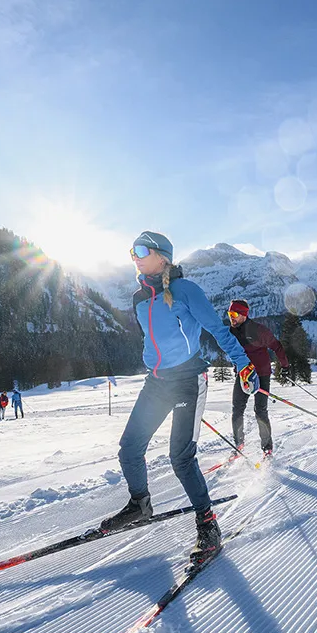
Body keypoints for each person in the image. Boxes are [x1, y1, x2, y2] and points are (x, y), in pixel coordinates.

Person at [103, 231, 258, 564]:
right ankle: (140, 504)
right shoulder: (138, 298)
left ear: (163, 257)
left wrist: (243, 365)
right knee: (129, 448)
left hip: (189, 380)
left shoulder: (186, 290)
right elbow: (153, 340)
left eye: (142, 250)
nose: (135, 256)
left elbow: (218, 330)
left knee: (180, 457)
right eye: (133, 251)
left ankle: (208, 524)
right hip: (157, 382)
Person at [226, 299, 288, 458]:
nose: (231, 318)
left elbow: (277, 346)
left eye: (234, 314)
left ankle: (267, 448)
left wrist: (285, 366)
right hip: (243, 375)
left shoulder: (258, 331)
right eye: (229, 314)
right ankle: (239, 444)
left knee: (260, 411)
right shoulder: (231, 331)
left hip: (261, 374)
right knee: (237, 409)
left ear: (243, 315)